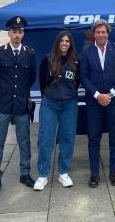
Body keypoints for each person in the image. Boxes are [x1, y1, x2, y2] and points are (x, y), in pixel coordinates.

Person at [0, 16, 37, 194]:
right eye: (14, 31)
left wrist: (22, 94)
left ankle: (25, 173)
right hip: (3, 104)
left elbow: (31, 77)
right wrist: (0, 94)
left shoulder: (29, 53)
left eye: (20, 31)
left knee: (24, 141)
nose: (17, 35)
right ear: (9, 33)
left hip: (22, 104)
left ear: (23, 34)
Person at [80, 19, 115, 188]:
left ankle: (114, 172)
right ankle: (94, 174)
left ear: (108, 33)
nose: (101, 35)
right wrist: (97, 95)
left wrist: (111, 94)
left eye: (103, 32)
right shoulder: (86, 51)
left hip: (114, 101)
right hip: (94, 102)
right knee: (94, 138)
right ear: (94, 34)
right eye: (98, 32)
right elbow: (83, 76)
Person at [33, 31, 80, 191]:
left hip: (69, 105)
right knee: (45, 138)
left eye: (67, 41)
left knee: (67, 138)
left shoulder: (76, 61)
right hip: (50, 104)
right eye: (62, 40)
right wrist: (49, 95)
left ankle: (63, 173)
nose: (65, 43)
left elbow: (78, 82)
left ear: (70, 43)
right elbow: (42, 82)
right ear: (57, 43)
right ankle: (43, 175)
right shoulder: (48, 59)